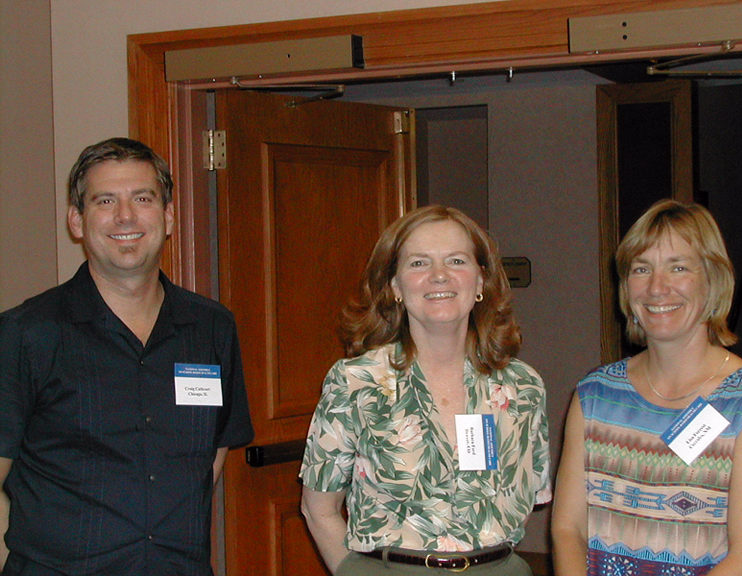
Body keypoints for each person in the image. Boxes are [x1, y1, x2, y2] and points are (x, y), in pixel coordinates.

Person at [0, 137, 253, 576]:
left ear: (168, 216)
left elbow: (212, 453)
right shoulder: (26, 333)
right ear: (76, 221)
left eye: (142, 198)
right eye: (105, 201)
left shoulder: (212, 328)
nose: (125, 216)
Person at [299, 205, 551, 575]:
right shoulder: (356, 382)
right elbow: (318, 509)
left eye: (456, 261)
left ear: (481, 281)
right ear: (395, 286)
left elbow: (524, 501)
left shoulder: (523, 387)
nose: (439, 276)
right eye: (419, 263)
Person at [552, 199, 742, 576]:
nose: (657, 287)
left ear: (713, 280)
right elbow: (568, 531)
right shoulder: (595, 395)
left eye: (678, 267)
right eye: (642, 269)